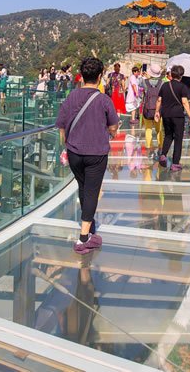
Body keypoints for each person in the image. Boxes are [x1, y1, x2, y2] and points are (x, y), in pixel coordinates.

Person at [55, 57, 119, 255]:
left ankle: (88, 226)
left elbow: (61, 127)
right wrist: (111, 133)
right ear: (99, 77)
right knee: (91, 191)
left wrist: (67, 144)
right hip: (96, 153)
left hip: (74, 152)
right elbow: (113, 127)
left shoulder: (71, 97)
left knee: (83, 188)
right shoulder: (104, 99)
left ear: (81, 76)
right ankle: (83, 239)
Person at [155, 65, 190, 171]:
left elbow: (159, 100)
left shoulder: (164, 85)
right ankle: (175, 163)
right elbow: (184, 102)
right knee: (178, 139)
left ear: (172, 74)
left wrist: (157, 112)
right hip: (178, 115)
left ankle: (163, 155)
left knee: (168, 135)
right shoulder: (182, 87)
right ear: (181, 76)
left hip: (166, 115)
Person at [140, 64, 164, 151]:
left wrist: (145, 76)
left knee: (148, 129)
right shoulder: (162, 83)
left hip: (147, 110)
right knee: (159, 129)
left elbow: (139, 84)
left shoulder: (144, 82)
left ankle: (149, 146)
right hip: (158, 109)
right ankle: (160, 145)